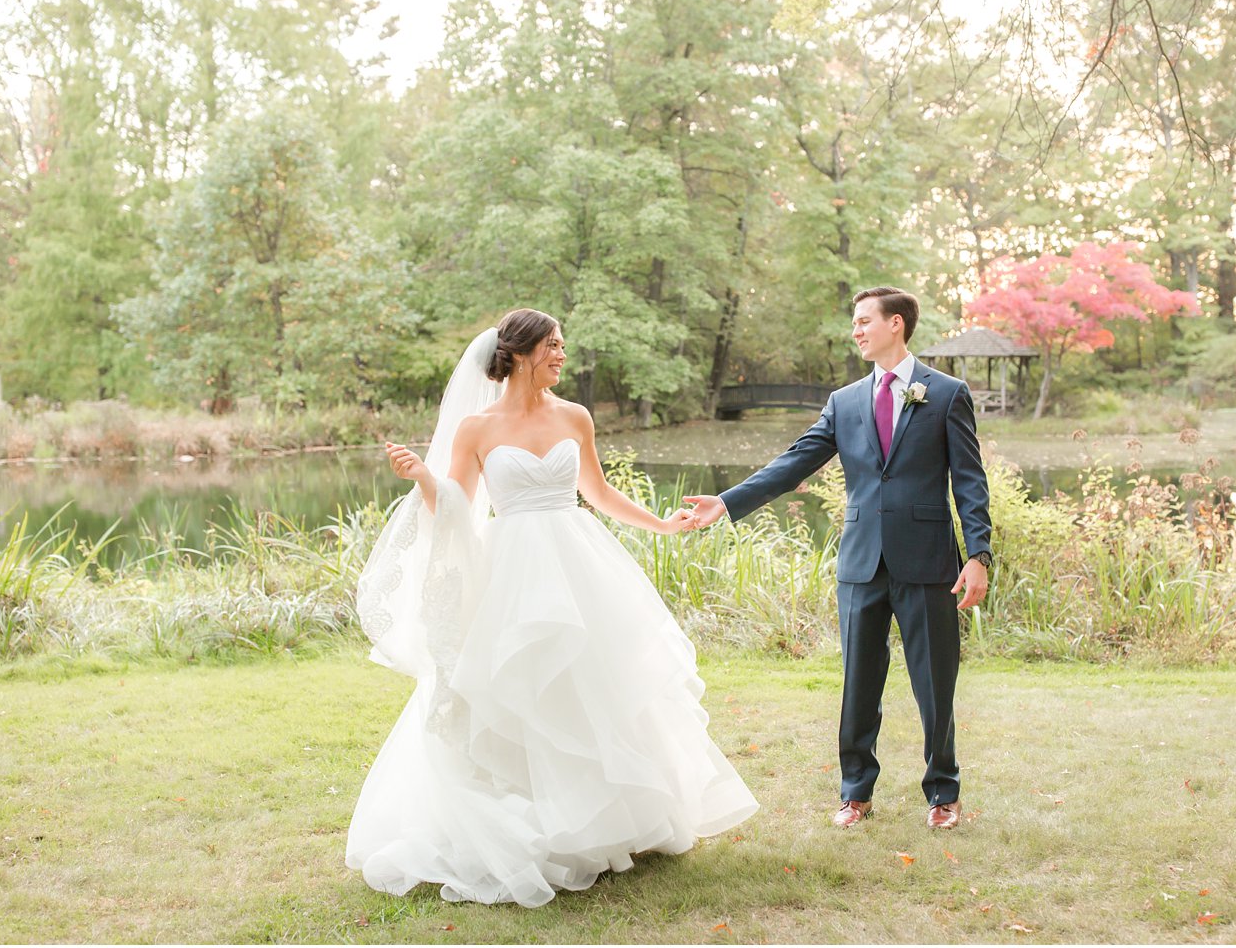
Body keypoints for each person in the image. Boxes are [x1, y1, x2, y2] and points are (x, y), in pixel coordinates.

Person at [346, 309, 757, 907]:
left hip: (578, 562)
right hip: (510, 569)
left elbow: (598, 492)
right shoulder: (477, 428)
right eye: (553, 345)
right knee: (517, 686)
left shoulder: (575, 416)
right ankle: (530, 821)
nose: (563, 355)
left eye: (563, 344)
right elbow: (456, 506)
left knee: (595, 683)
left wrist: (661, 526)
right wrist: (422, 479)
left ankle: (605, 819)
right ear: (518, 353)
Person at [684, 287, 991, 831]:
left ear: (895, 324)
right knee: (858, 683)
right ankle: (855, 793)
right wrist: (728, 502)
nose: (855, 330)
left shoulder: (945, 394)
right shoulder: (844, 401)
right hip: (859, 565)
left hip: (929, 562)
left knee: (935, 682)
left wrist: (979, 554)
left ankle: (943, 793)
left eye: (863, 320)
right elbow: (795, 461)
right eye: (854, 321)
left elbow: (969, 482)